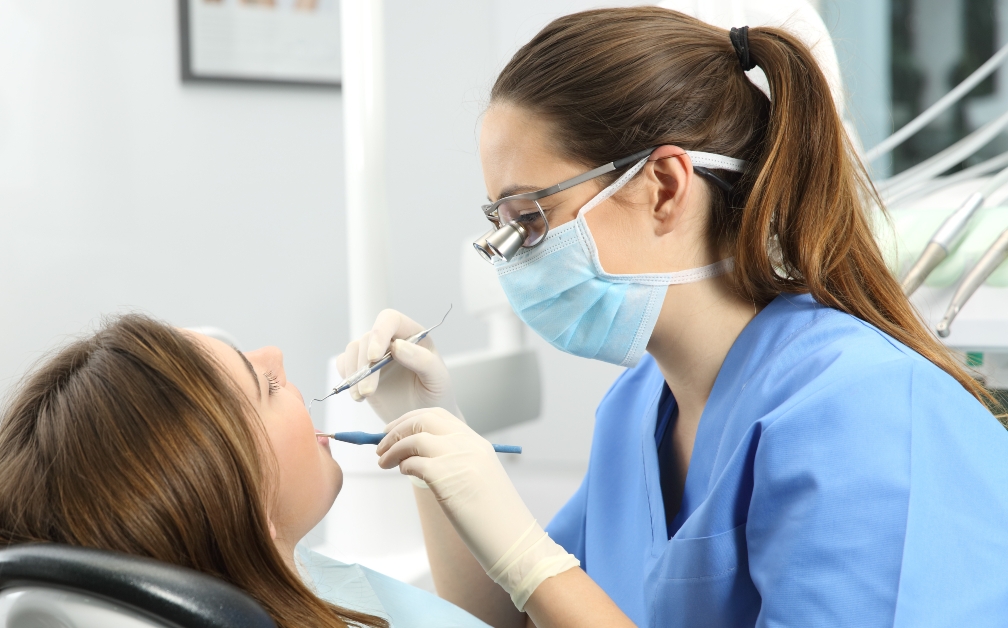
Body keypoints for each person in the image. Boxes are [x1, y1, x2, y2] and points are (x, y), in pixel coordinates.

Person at [338, 7, 1008, 628]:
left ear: (663, 187)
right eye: (501, 225)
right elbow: (511, 617)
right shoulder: (636, 409)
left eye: (530, 219)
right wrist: (431, 438)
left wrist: (528, 556)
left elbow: (539, 582)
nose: (508, 259)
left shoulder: (863, 411)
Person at [0, 313, 488, 628]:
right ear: (246, 509)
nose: (276, 355)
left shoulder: (278, 580)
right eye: (267, 386)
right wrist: (526, 566)